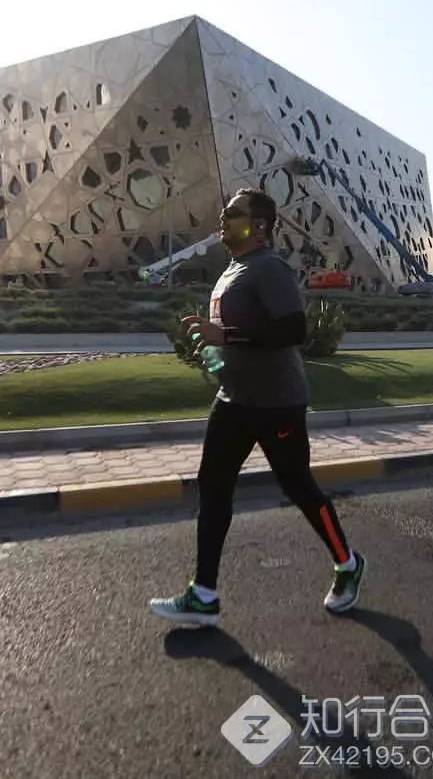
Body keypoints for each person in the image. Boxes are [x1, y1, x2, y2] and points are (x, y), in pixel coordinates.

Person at [149, 188, 366, 627]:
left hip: (276, 403)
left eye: (234, 214)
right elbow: (237, 331)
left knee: (298, 487)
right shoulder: (232, 270)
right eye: (225, 212)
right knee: (213, 486)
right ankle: (204, 595)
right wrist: (212, 346)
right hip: (233, 399)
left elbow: (294, 330)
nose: (223, 219)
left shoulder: (269, 268)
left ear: (260, 227)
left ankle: (348, 563)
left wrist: (226, 338)